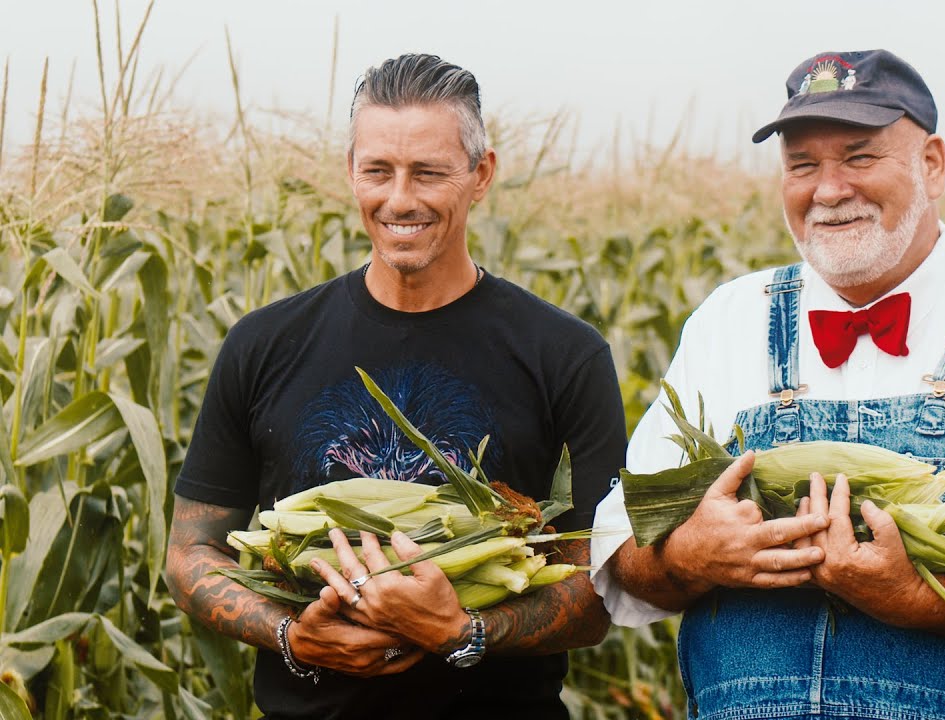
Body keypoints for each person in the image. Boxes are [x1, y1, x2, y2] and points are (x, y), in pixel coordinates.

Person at [591, 49, 945, 719]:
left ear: (933, 164)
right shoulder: (727, 321)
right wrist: (689, 554)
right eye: (803, 165)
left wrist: (917, 596)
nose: (828, 190)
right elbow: (620, 547)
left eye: (858, 157)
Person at [165, 53, 627, 720]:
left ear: (481, 175)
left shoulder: (566, 355)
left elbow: (598, 588)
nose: (399, 199)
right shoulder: (262, 344)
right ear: (351, 171)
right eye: (377, 170)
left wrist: (463, 633)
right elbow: (191, 553)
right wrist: (294, 638)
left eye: (429, 172)